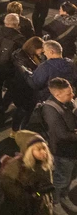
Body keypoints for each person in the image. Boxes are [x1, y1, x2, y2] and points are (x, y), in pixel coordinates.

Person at [41, 78, 77, 213]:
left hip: (72, 150)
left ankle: (64, 196)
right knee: (60, 179)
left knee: (70, 176)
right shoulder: (50, 109)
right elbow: (62, 135)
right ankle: (55, 202)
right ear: (57, 95)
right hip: (63, 152)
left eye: (72, 92)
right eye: (69, 94)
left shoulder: (67, 102)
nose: (72, 95)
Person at [0, 130, 54, 215]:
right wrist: (33, 194)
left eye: (44, 148)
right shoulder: (14, 166)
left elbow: (46, 189)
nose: (43, 152)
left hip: (40, 207)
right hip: (21, 209)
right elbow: (9, 189)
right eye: (38, 149)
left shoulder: (44, 164)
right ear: (28, 151)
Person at [10, 37, 46, 133]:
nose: (42, 52)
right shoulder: (23, 59)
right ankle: (16, 130)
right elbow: (28, 74)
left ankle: (20, 129)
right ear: (33, 48)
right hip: (23, 88)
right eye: (41, 50)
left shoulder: (29, 55)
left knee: (26, 109)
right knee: (23, 109)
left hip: (26, 88)